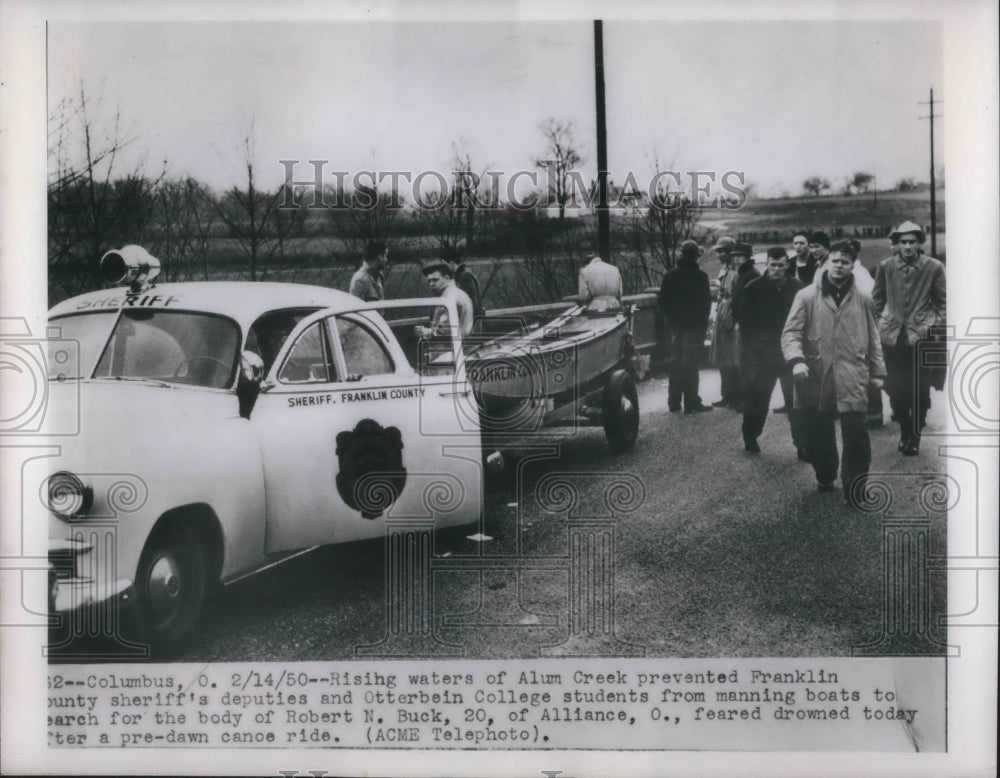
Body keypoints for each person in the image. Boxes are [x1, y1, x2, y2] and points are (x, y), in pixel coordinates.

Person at [782, 241, 886, 506]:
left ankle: (855, 486)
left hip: (853, 373)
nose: (839, 266)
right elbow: (790, 332)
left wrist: (878, 371)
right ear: (827, 263)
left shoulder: (863, 298)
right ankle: (825, 474)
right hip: (816, 373)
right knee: (819, 430)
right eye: (835, 261)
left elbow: (874, 337)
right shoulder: (806, 296)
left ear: (853, 266)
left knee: (856, 434)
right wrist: (796, 360)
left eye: (845, 262)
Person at [872, 220, 947, 456]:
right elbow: (877, 301)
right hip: (892, 338)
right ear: (896, 244)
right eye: (903, 242)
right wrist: (876, 327)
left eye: (912, 242)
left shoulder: (934, 267)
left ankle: (915, 436)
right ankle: (905, 430)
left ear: (919, 243)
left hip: (921, 337)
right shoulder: (885, 267)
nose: (907, 246)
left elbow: (944, 303)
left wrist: (934, 325)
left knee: (920, 390)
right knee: (895, 388)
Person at [734, 246, 804, 454]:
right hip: (762, 355)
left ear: (787, 265)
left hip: (790, 354)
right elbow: (744, 323)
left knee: (796, 402)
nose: (776, 269)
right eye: (772, 265)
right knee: (758, 400)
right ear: (767, 265)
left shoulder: (797, 288)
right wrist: (755, 350)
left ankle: (802, 444)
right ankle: (750, 435)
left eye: (780, 265)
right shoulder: (753, 288)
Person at [658, 239, 713, 413]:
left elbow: (663, 302)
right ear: (696, 256)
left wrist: (672, 321)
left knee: (676, 363)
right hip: (695, 327)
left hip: (677, 326)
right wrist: (702, 323)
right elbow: (706, 304)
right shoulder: (701, 277)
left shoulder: (670, 275)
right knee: (690, 363)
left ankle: (673, 402)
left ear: (681, 255)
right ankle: (691, 401)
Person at [710, 236, 740, 408]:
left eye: (721, 251)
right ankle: (726, 395)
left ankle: (735, 395)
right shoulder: (724, 269)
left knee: (732, 357)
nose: (718, 254)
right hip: (722, 312)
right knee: (723, 356)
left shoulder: (735, 270)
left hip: (729, 313)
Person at [415, 261, 475, 341]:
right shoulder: (455, 293)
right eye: (429, 281)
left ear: (446, 278)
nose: (431, 284)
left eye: (435, 280)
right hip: (463, 343)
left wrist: (426, 332)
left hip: (454, 347)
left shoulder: (448, 299)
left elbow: (445, 332)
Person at [442, 245, 485, 319]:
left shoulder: (465, 276)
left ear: (452, 263)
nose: (444, 268)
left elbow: (471, 304)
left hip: (472, 321)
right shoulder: (461, 275)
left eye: (445, 265)